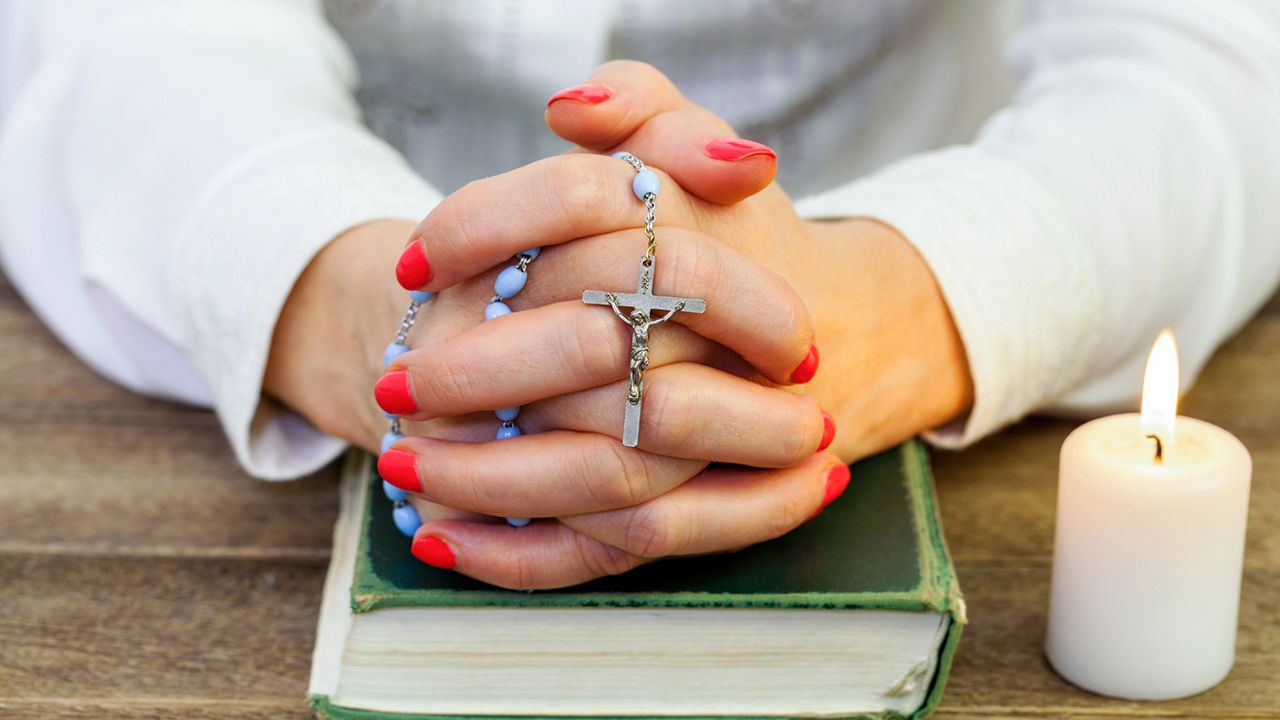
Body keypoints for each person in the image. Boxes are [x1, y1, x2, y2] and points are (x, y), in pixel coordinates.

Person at [1, 1, 1278, 589]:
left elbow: (1208, 54)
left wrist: (904, 296)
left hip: (871, 241)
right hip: (330, 246)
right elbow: (125, 33)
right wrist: (347, 304)